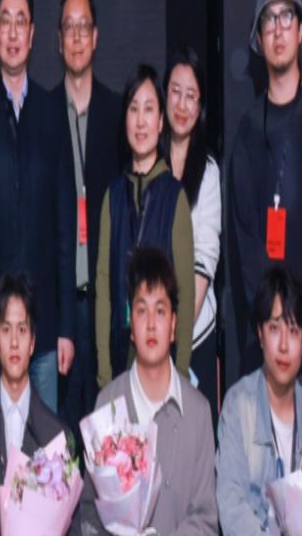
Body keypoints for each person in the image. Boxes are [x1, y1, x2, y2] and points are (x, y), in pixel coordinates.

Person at [224, 0, 302, 446]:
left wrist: (297, 322)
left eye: (285, 17)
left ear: (301, 29)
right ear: (258, 39)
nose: (277, 29)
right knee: (265, 479)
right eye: (268, 20)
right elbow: (245, 237)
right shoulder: (247, 131)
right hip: (265, 344)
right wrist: (275, 324)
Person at [0, 0, 76, 412]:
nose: (12, 33)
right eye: (5, 22)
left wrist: (66, 326)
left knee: (45, 443)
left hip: (44, 330)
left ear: (32, 34)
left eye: (21, 22)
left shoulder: (52, 112)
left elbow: (65, 226)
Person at [76, 247, 216, 536]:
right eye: (142, 311)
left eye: (160, 311)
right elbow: (88, 512)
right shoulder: (108, 404)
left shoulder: (198, 412)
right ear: (131, 325)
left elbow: (206, 519)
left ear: (174, 325)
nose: (151, 324)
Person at [216, 267, 302, 533]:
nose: (283, 345)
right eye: (274, 328)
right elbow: (231, 507)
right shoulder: (238, 407)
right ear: (260, 334)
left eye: (293, 331)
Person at [94, 64, 194, 385]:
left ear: (161, 121)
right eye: (133, 109)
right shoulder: (112, 196)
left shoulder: (174, 196)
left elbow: (185, 294)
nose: (140, 121)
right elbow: (103, 287)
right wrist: (104, 374)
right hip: (119, 364)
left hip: (164, 370)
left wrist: (180, 375)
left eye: (149, 109)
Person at [55, 0, 126, 428]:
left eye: (84, 27)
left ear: (96, 37)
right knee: (60, 437)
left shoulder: (118, 115)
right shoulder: (44, 113)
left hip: (106, 303)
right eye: (69, 27)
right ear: (58, 39)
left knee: (108, 429)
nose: (77, 37)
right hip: (60, 308)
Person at [0, 274, 69, 536]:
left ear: (32, 343)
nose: (13, 342)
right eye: (6, 329)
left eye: (21, 330)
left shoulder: (56, 436)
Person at [165, 46, 223, 416]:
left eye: (191, 95)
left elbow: (205, 259)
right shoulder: (147, 163)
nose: (182, 104)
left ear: (200, 106)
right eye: (175, 92)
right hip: (150, 335)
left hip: (195, 333)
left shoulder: (209, 171)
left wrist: (177, 327)